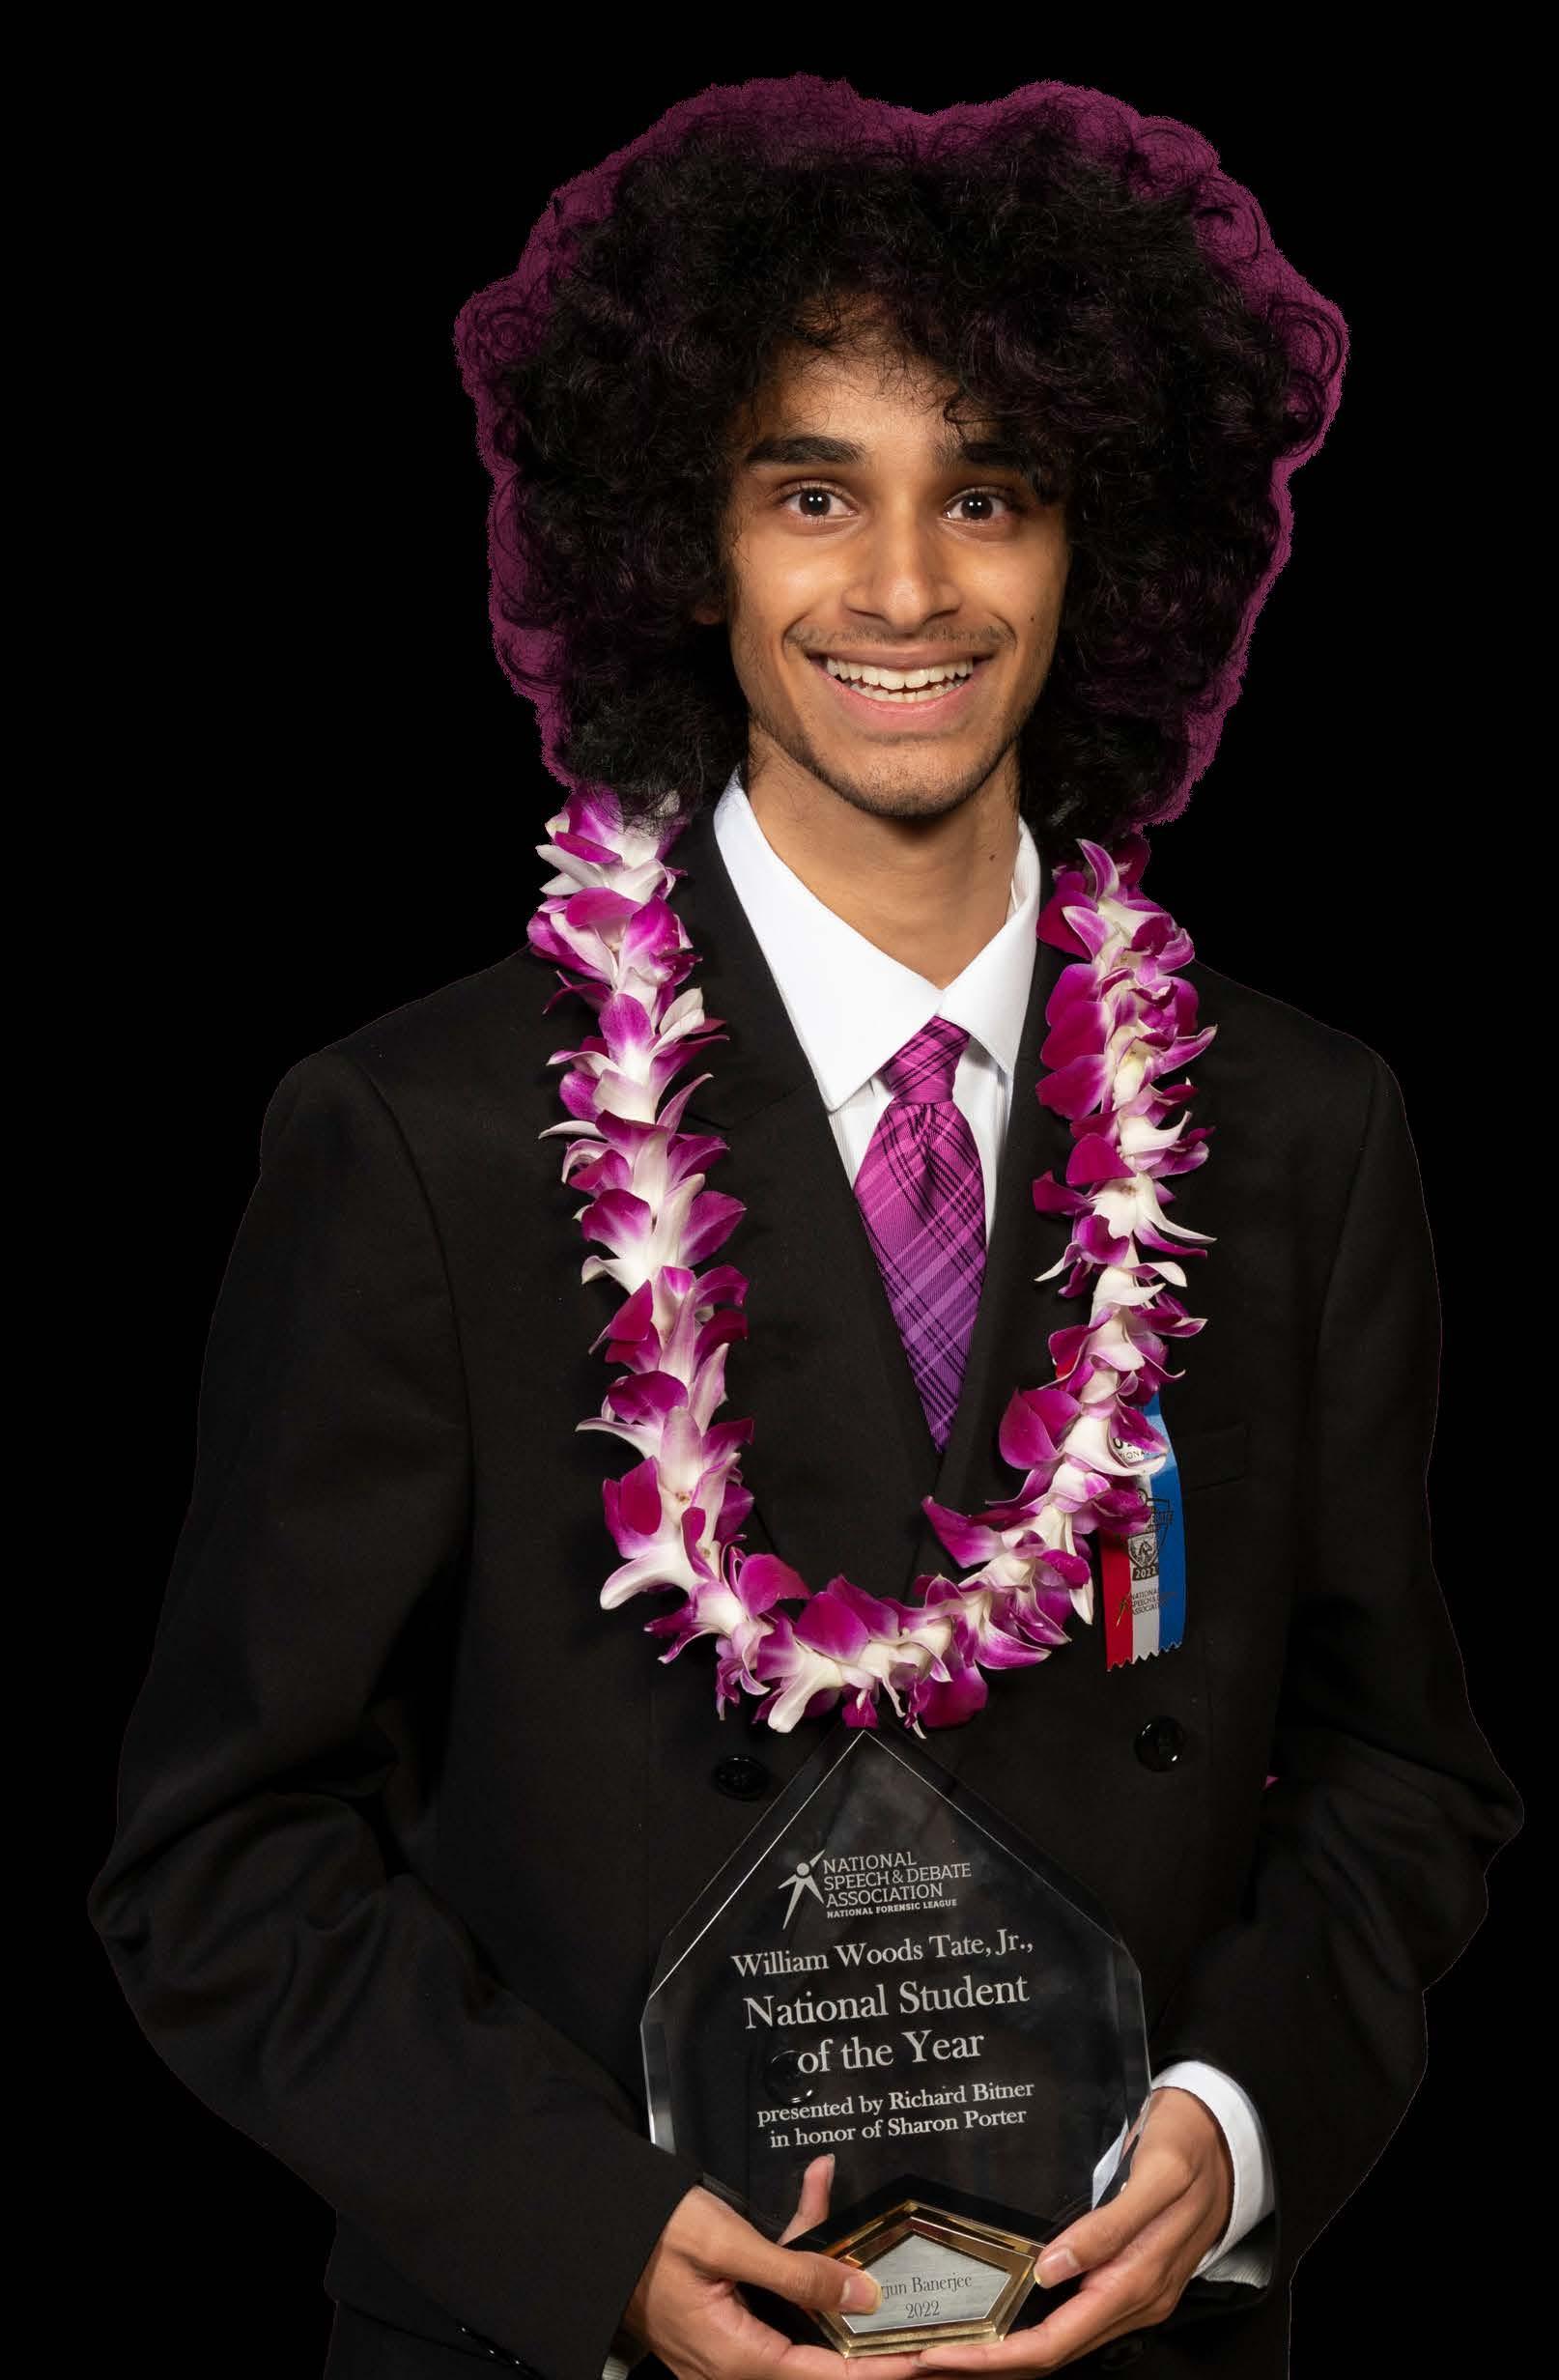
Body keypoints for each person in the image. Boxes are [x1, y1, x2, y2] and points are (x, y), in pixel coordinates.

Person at [86, 75, 1522, 2380]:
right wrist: (585, 2229)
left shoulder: (1304, 1132)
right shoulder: (420, 1137)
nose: (907, 591)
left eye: (992, 493)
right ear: (686, 541)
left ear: (1103, 549)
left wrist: (1243, 2131)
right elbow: (221, 1852)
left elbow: (1404, 1776)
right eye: (812, 491)